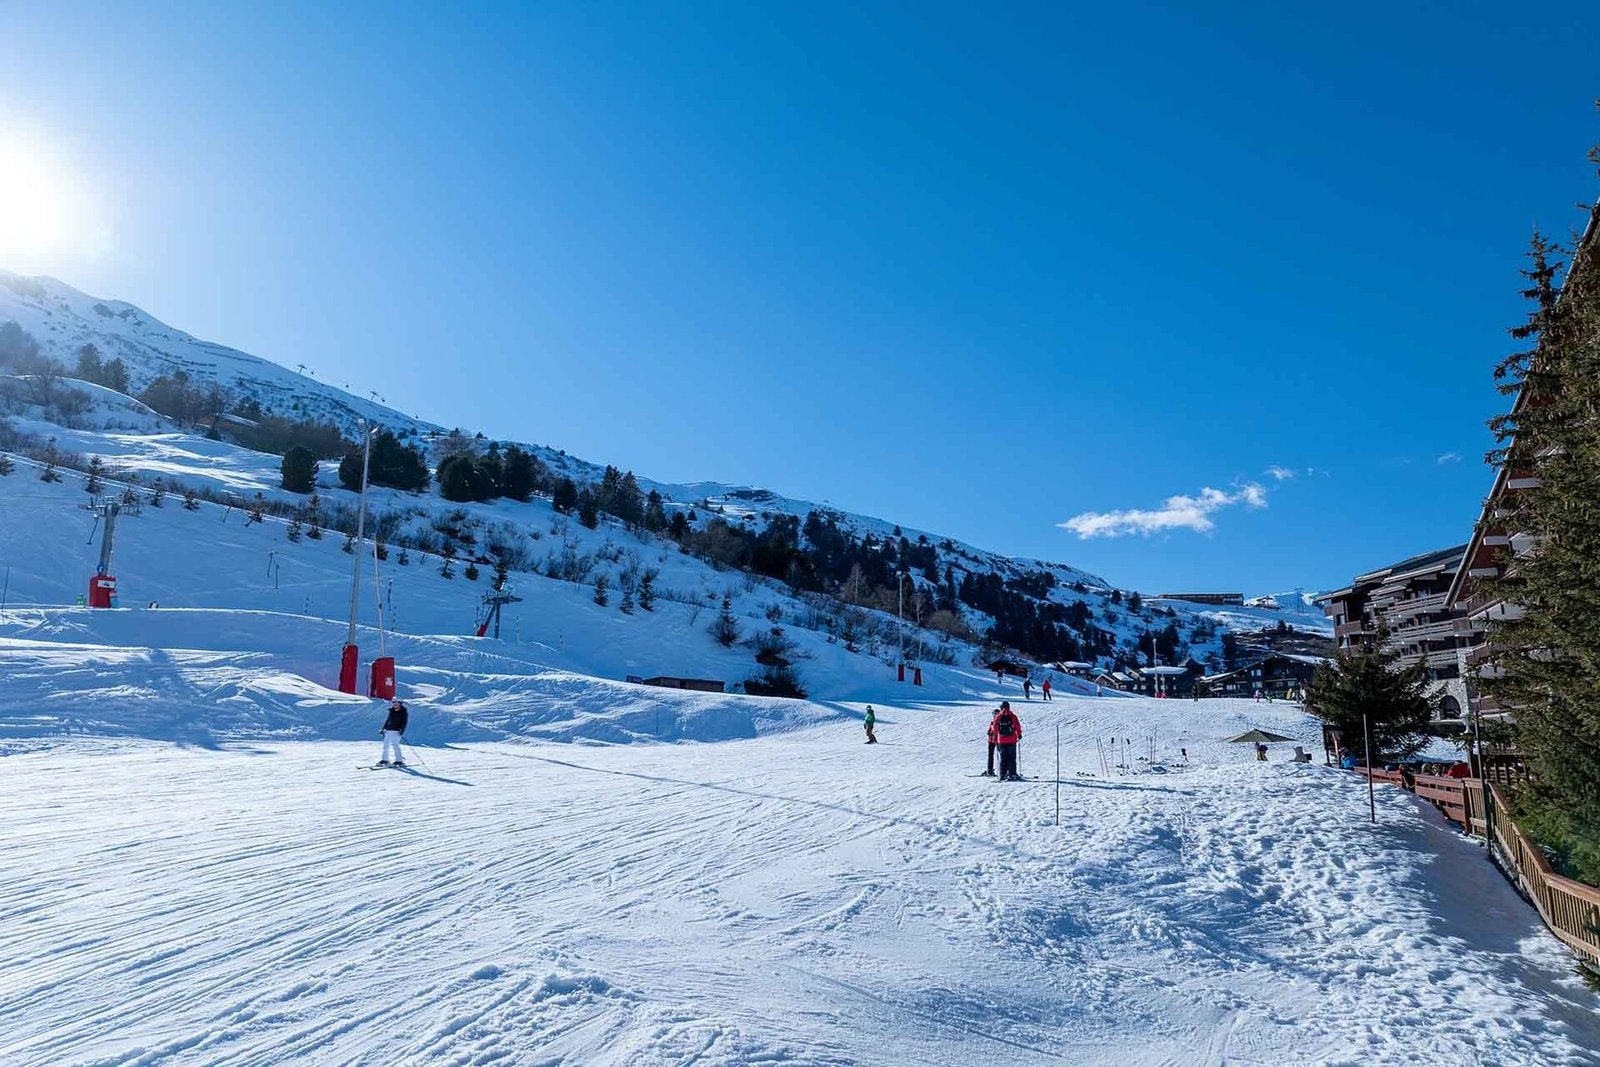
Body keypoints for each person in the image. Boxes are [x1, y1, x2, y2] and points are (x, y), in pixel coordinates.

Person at [991, 701, 1023, 781]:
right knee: (1012, 757)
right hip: (1012, 740)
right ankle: (1012, 774)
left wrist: (998, 734)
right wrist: (1019, 735)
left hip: (1001, 740)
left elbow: (994, 727)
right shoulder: (1013, 716)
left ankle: (1002, 774)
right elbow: (1017, 726)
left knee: (1003, 757)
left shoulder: (998, 716)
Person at [379, 699, 408, 767]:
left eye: (396, 702)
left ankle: (399, 760)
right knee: (386, 745)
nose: (394, 704)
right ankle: (385, 760)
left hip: (397, 731)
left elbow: (404, 722)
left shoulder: (403, 712)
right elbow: (388, 720)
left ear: (400, 703)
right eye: (393, 702)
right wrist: (383, 729)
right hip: (388, 730)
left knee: (395, 745)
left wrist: (402, 730)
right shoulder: (391, 711)